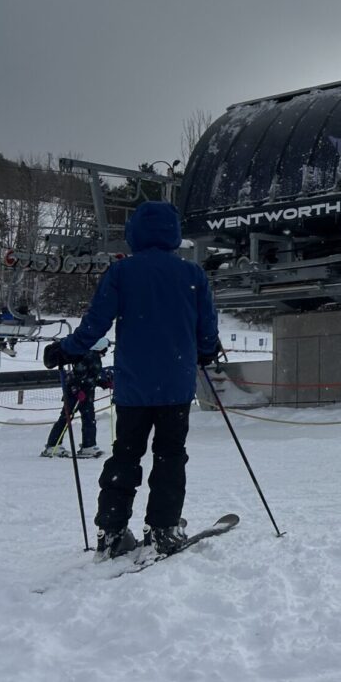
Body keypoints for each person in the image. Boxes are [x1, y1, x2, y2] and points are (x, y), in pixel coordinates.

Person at [43, 201, 220, 559]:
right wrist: (205, 351)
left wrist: (67, 349)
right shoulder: (192, 274)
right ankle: (163, 528)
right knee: (170, 456)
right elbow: (207, 328)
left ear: (134, 233)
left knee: (125, 454)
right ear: (173, 233)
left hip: (133, 386)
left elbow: (95, 324)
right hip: (175, 386)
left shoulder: (122, 272)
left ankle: (111, 531)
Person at [42, 338, 112, 458]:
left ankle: (88, 445)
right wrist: (77, 390)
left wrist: (104, 383)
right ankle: (53, 445)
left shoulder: (93, 357)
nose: (104, 353)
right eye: (104, 350)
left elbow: (93, 375)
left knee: (88, 418)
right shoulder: (88, 356)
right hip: (77, 393)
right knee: (67, 417)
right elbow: (79, 376)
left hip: (86, 392)